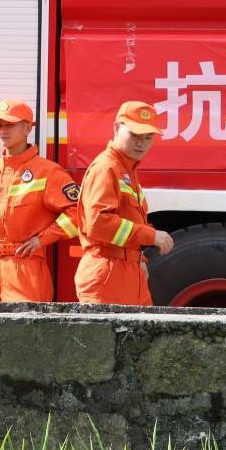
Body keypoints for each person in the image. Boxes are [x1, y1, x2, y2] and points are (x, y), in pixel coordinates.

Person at [0, 100, 82, 302]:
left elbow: (80, 212)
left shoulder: (48, 172)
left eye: (10, 125)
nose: (3, 130)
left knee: (23, 332)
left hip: (25, 266)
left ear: (28, 127)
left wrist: (43, 239)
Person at [75, 101, 174, 306]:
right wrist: (151, 236)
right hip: (108, 276)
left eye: (148, 137)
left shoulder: (126, 170)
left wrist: (138, 258)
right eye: (135, 135)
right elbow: (99, 224)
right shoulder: (107, 168)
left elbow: (127, 220)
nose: (141, 143)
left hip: (126, 272)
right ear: (117, 128)